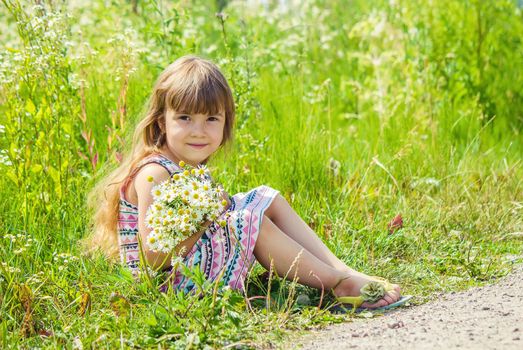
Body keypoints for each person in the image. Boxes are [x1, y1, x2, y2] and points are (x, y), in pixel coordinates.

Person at [85, 55, 406, 310]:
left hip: (187, 266)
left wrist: (212, 213)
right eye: (185, 118)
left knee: (266, 197)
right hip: (167, 285)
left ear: (225, 125)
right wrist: (207, 217)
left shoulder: (184, 167)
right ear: (161, 122)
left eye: (211, 119)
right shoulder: (155, 173)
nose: (199, 130)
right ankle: (337, 285)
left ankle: (344, 271)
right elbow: (154, 257)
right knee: (248, 220)